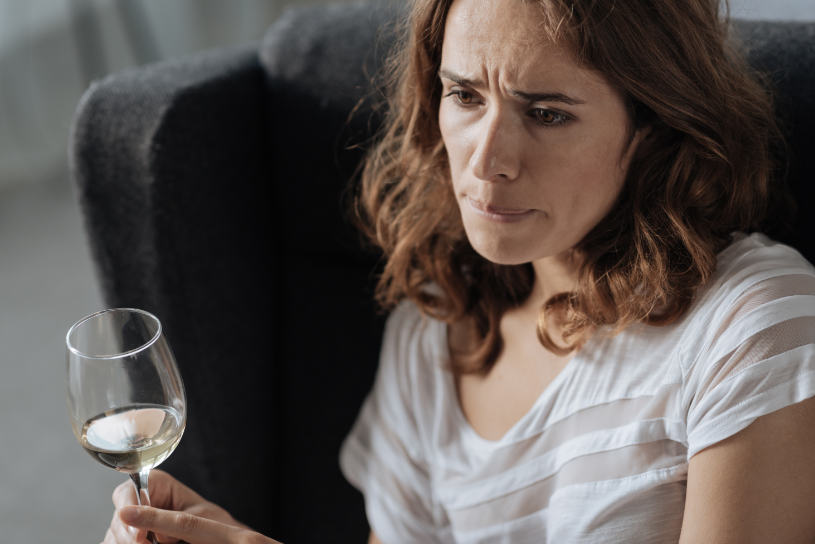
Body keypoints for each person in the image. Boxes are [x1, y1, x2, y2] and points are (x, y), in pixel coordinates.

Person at [104, 0, 815, 542]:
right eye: (465, 96)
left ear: (656, 126)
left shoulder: (749, 326)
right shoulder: (431, 331)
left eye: (546, 112)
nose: (484, 159)